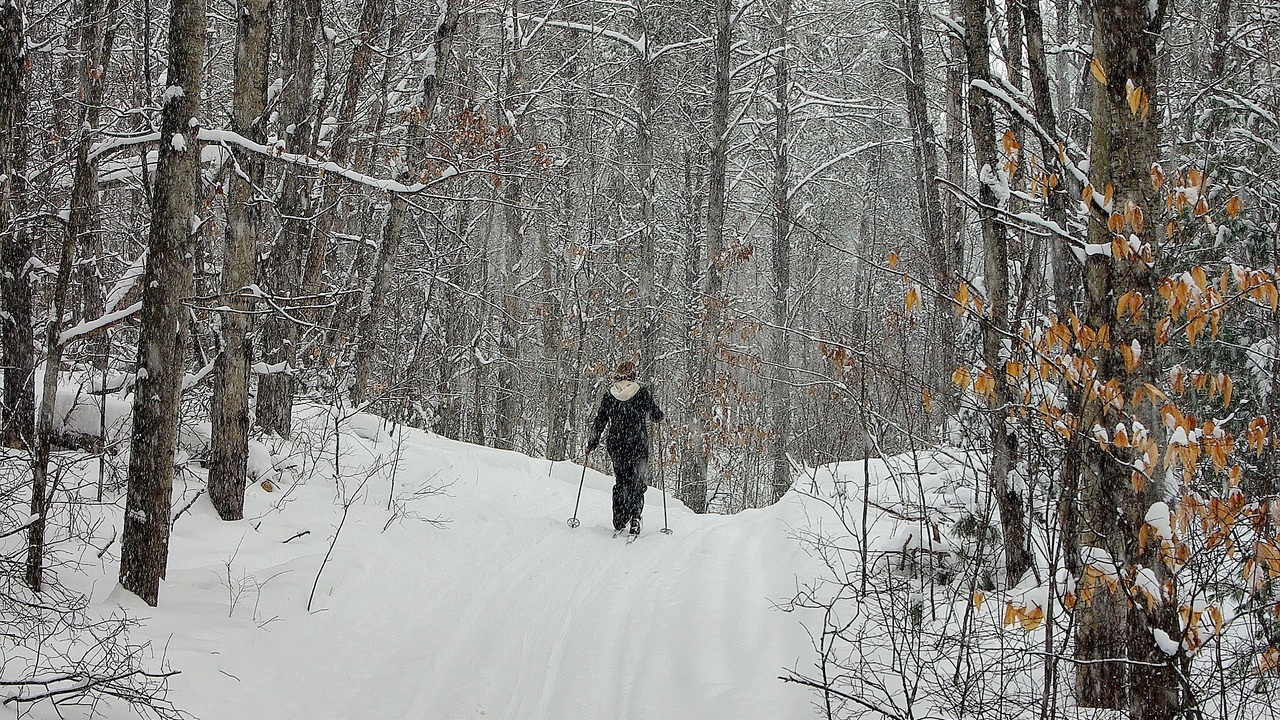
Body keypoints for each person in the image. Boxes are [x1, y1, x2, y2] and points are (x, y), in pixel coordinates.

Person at [586, 361, 663, 536]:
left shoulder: (610, 395)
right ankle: (635, 517)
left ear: (618, 375)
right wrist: (658, 415)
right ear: (633, 375)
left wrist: (592, 442)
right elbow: (656, 414)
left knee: (621, 480)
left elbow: (600, 420)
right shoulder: (641, 393)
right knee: (637, 480)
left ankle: (619, 519)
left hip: (617, 445)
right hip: (638, 444)